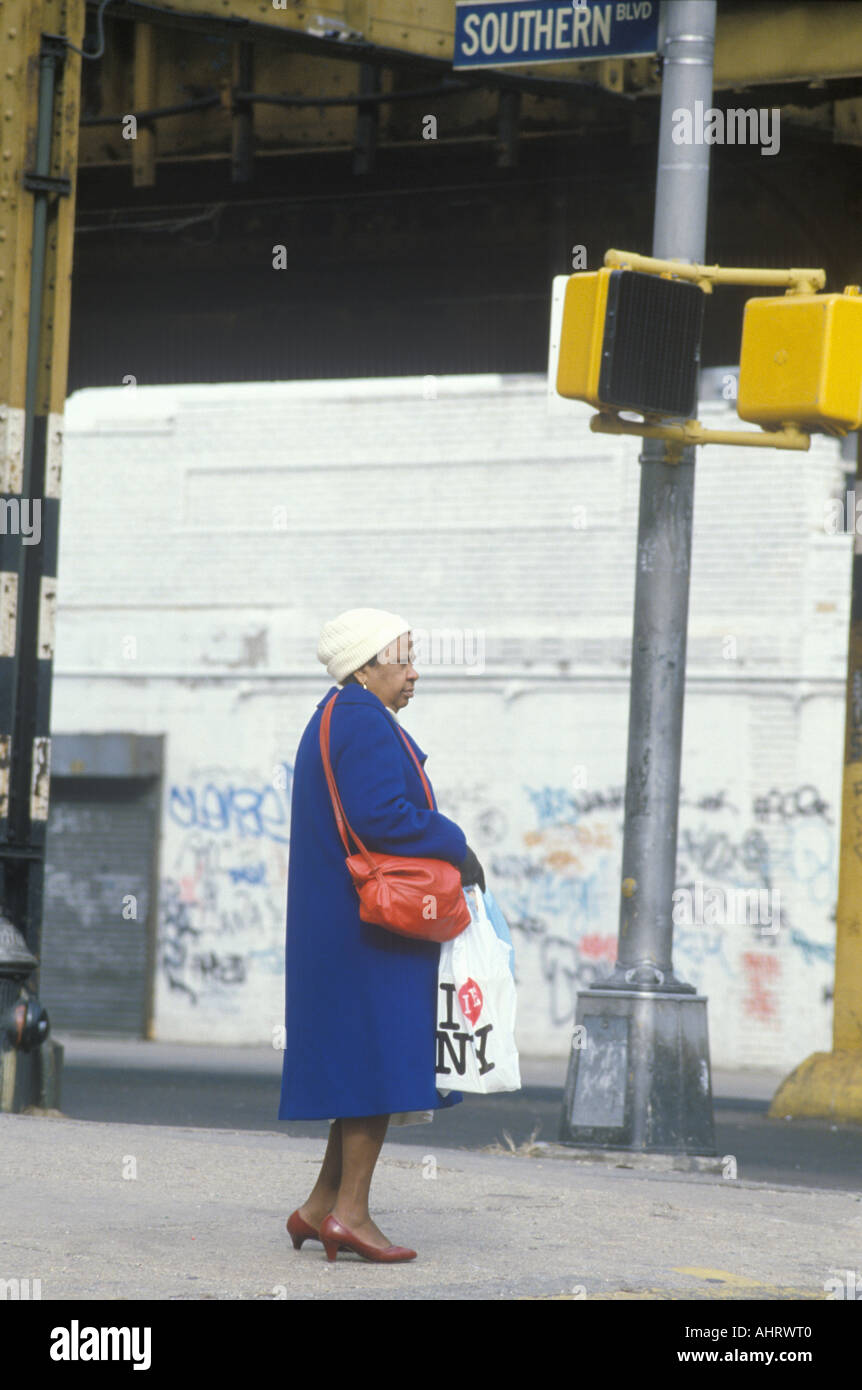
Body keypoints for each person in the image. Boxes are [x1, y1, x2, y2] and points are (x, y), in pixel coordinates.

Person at [278, 608, 485, 1263]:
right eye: (404, 658)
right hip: (371, 926)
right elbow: (383, 817)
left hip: (344, 922)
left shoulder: (338, 714)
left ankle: (318, 1208)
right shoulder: (365, 720)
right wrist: (456, 843)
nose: (414, 672)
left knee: (361, 1063)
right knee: (376, 1067)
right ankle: (352, 1216)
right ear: (366, 665)